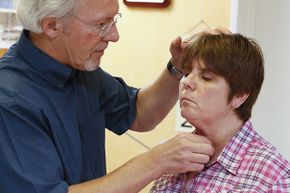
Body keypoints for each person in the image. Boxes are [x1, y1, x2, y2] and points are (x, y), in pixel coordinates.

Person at [0, 0, 221, 193]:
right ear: (52, 25)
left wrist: (177, 67)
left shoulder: (80, 69)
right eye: (102, 24)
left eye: (114, 20)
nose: (114, 36)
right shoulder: (9, 100)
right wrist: (158, 161)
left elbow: (140, 114)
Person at [149, 33, 290, 192]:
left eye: (206, 77)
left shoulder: (274, 179)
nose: (186, 82)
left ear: (240, 95)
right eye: (187, 73)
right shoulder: (173, 157)